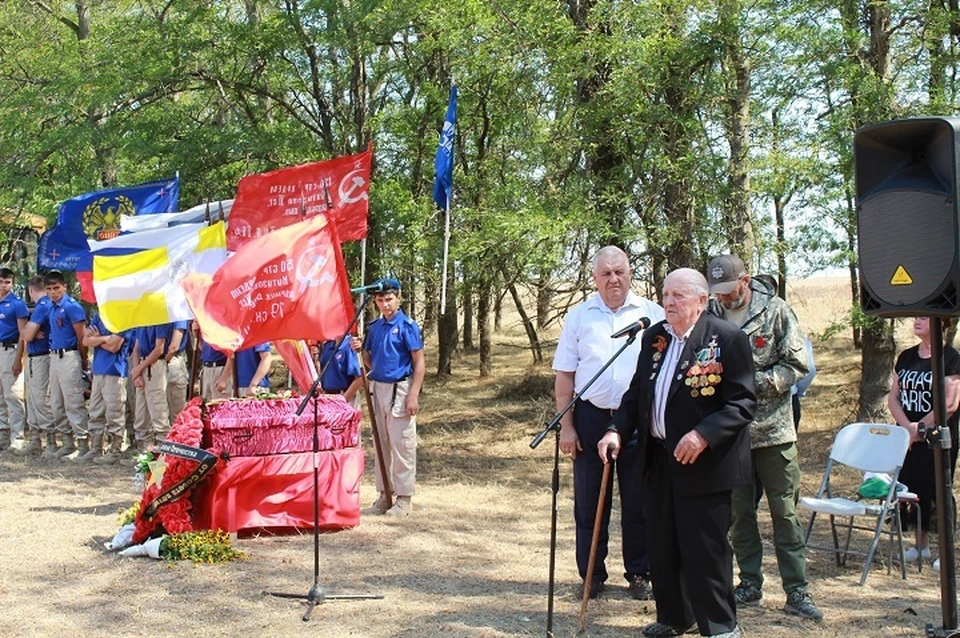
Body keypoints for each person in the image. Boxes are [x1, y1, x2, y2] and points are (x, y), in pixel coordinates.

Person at [599, 268, 755, 638]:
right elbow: (637, 394)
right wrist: (615, 430)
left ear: (702, 301)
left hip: (705, 464)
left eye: (678, 296)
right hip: (658, 459)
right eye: (666, 295)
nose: (669, 302)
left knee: (705, 549)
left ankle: (720, 625)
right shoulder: (654, 337)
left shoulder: (728, 338)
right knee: (663, 544)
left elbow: (742, 402)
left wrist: (703, 435)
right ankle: (673, 617)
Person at [706, 254, 822, 621]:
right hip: (731, 434)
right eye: (718, 292)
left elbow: (797, 365)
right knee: (740, 514)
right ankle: (750, 582)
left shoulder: (776, 311)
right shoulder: (711, 313)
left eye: (729, 290)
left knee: (784, 512)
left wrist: (749, 386)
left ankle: (796, 589)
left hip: (774, 431)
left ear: (746, 279)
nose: (724, 298)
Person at [552, 245, 664, 600]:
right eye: (606, 273)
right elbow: (565, 376)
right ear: (594, 278)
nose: (614, 279)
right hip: (590, 417)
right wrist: (567, 427)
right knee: (588, 503)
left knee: (639, 502)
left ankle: (640, 573)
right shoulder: (579, 317)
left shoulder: (653, 315)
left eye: (620, 272)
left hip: (638, 421)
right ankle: (591, 575)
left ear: (630, 273)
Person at [887, 316, 960, 572]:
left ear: (942, 323)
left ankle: (945, 551)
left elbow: (949, 404)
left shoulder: (950, 358)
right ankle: (920, 545)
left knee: (937, 490)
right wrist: (907, 428)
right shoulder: (906, 356)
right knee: (913, 490)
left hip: (937, 437)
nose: (916, 321)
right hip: (906, 437)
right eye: (915, 317)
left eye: (922, 317)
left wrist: (918, 429)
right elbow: (894, 398)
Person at [359, 278, 425, 517]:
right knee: (381, 443)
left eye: (389, 299)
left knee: (402, 443)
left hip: (400, 388)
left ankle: (404, 497)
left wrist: (413, 395)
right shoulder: (375, 327)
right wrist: (360, 350)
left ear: (398, 298)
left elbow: (418, 362)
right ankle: (384, 494)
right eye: (380, 300)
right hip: (379, 387)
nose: (385, 305)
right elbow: (369, 360)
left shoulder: (407, 326)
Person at [41, 270, 89, 458]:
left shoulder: (72, 307)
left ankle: (83, 443)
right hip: (54, 355)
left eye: (57, 288)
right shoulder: (51, 307)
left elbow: (81, 335)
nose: (54, 292)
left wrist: (83, 359)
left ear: (64, 287)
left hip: (69, 355)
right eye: (50, 289)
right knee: (56, 401)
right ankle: (67, 441)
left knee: (73, 400)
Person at [81, 311, 128, 464]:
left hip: (115, 370)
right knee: (95, 409)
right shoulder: (98, 316)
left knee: (114, 410)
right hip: (99, 369)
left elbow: (115, 346)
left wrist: (97, 338)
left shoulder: (122, 316)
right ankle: (96, 447)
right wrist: (105, 338)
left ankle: (115, 449)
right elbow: (85, 341)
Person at [15, 276, 53, 457]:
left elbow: (27, 335)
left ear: (31, 290)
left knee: (40, 398)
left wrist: (28, 330)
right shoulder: (41, 306)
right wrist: (29, 331)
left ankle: (51, 440)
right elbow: (28, 334)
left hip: (42, 356)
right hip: (33, 356)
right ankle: (35, 439)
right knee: (32, 398)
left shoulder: (43, 306)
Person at [0, 267, 28, 452]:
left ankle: (17, 437)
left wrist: (19, 359)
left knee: (13, 394)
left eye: (7, 282)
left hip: (10, 350)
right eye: (1, 282)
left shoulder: (17, 304)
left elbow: (23, 334)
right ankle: (2, 434)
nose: (3, 286)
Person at [130, 324, 170, 449]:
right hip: (141, 364)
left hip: (155, 365)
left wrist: (139, 369)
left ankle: (163, 449)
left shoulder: (159, 318)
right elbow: (136, 348)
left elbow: (159, 349)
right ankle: (143, 448)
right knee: (141, 410)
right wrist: (136, 372)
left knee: (158, 408)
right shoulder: (141, 320)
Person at [195, 322, 233, 401]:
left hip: (220, 368)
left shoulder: (225, 323)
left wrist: (224, 378)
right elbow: (203, 349)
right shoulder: (205, 324)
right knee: (206, 406)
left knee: (220, 406)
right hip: (206, 368)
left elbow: (232, 353)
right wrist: (195, 333)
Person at [319, 338, 362, 405]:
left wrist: (343, 399)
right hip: (327, 396)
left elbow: (360, 378)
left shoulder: (351, 345)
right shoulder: (327, 346)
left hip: (344, 396)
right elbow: (321, 370)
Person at [165, 321, 189, 421]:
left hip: (173, 360)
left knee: (177, 415)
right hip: (160, 361)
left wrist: (164, 360)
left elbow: (174, 347)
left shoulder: (179, 315)